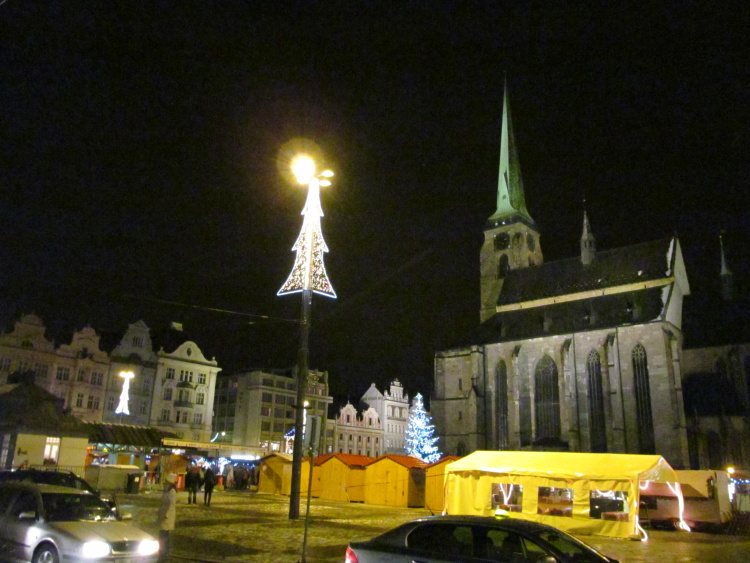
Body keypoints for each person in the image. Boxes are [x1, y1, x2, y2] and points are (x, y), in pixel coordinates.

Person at [157, 473, 177, 561]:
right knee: (162, 535)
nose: (164, 483)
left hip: (167, 517)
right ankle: (163, 552)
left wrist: (166, 515)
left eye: (166, 481)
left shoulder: (172, 492)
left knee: (165, 536)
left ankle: (165, 553)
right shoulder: (167, 491)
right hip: (163, 516)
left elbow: (171, 504)